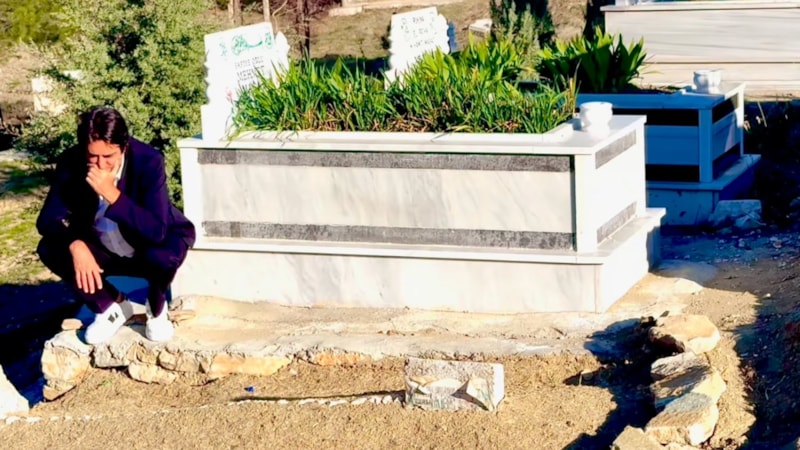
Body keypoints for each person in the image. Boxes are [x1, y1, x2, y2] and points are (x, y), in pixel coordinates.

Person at [35, 106, 196, 345]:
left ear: (124, 146)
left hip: (147, 245)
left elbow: (156, 231)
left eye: (108, 156)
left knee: (163, 254)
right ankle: (111, 306)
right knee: (50, 248)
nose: (100, 164)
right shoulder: (71, 162)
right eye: (93, 156)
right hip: (104, 247)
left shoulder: (148, 160)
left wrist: (112, 194)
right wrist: (75, 244)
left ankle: (156, 307)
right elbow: (46, 220)